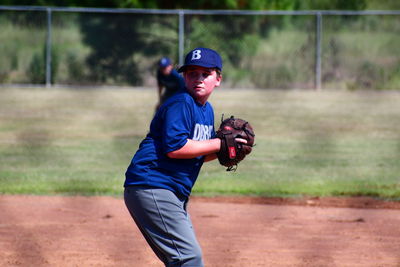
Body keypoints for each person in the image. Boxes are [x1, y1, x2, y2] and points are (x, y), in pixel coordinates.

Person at [124, 47, 247, 266]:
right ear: (184, 77)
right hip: (152, 184)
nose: (198, 79)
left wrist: (226, 151)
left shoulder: (206, 110)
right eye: (192, 73)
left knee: (181, 258)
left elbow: (196, 153)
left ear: (218, 79)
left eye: (205, 74)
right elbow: (176, 148)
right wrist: (219, 143)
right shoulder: (181, 103)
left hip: (167, 191)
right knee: (188, 258)